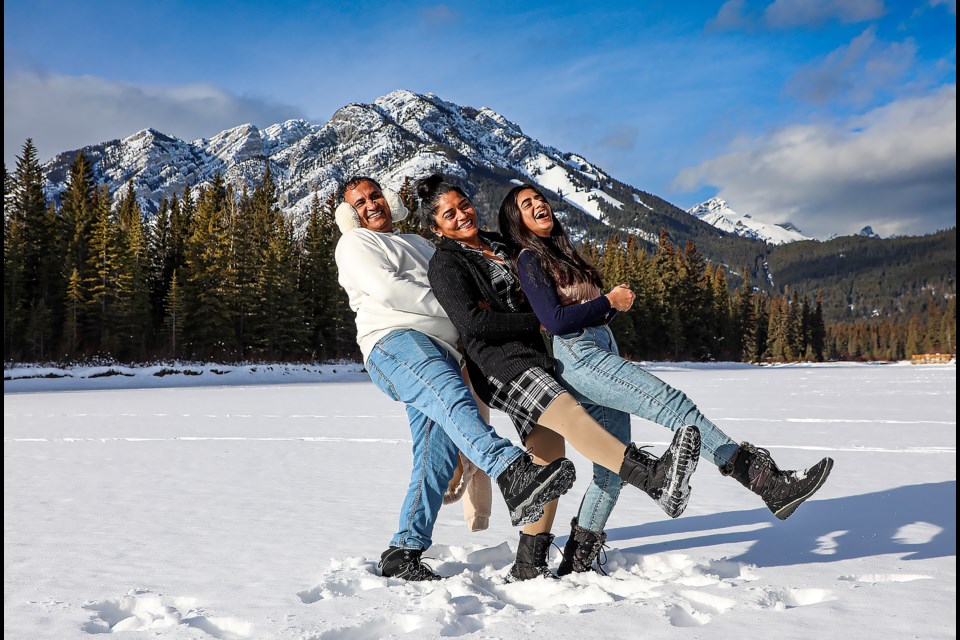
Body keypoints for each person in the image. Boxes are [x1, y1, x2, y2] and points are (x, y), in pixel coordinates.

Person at [497, 182, 836, 575]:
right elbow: (554, 322)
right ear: (517, 221)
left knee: (612, 469)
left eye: (540, 198)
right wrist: (608, 302)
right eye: (527, 204)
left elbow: (580, 312)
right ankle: (764, 481)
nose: (539, 204)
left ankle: (577, 560)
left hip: (597, 350)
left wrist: (609, 308)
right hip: (580, 356)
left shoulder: (558, 252)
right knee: (673, 405)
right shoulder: (529, 259)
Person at [419, 174, 702, 582]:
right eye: (449, 214)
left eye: (463, 205)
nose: (462, 215)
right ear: (435, 227)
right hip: (501, 363)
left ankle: (528, 563)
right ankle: (650, 476)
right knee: (567, 411)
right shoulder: (447, 263)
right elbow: (473, 323)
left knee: (549, 457)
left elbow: (534, 285)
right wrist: (534, 320)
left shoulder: (500, 243)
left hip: (536, 356)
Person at [333, 175, 578, 581]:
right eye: (359, 203)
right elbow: (389, 290)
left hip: (442, 349)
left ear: (389, 198)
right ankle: (512, 472)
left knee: (436, 453)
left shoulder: (419, 243)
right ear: (350, 215)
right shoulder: (357, 243)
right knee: (451, 398)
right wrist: (461, 310)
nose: (371, 205)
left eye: (375, 195)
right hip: (395, 342)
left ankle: (403, 550)